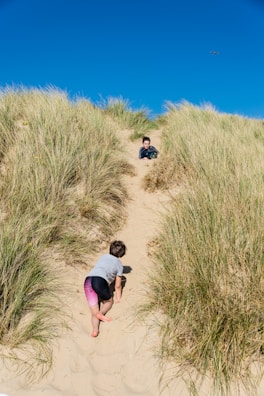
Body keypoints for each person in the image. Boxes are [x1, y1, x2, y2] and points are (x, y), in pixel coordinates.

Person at [84, 240, 127, 337]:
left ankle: (95, 330)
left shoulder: (103, 257)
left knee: (94, 311)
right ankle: (101, 313)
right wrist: (118, 298)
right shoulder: (119, 265)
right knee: (108, 301)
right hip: (99, 280)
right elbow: (118, 286)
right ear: (122, 253)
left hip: (88, 280)